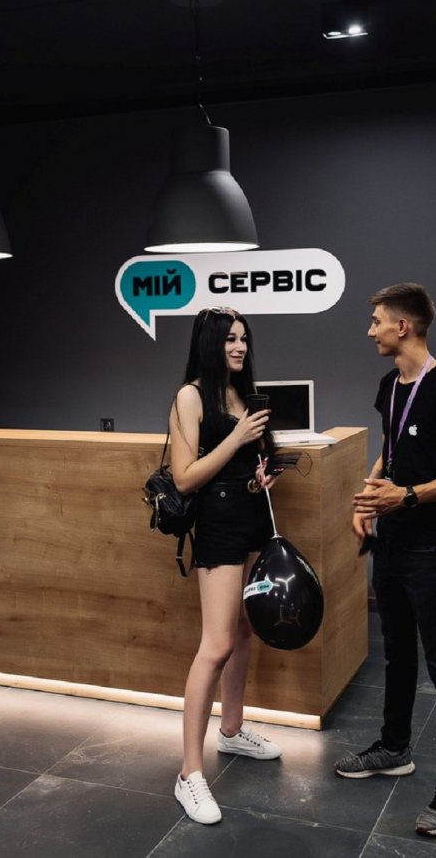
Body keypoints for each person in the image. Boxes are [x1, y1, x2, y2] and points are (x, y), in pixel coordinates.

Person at [334, 283, 436, 837]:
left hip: (429, 547)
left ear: (403, 327)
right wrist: (369, 494)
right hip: (392, 542)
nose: (370, 330)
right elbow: (392, 447)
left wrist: (409, 496)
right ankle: (394, 747)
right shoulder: (389, 384)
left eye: (377, 321)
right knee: (397, 653)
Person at [170, 306, 281, 825]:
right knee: (215, 645)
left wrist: (261, 474)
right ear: (210, 343)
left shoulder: (242, 393)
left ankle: (232, 731)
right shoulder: (190, 396)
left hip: (253, 516)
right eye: (230, 339)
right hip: (217, 525)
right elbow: (185, 477)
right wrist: (236, 439)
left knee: (243, 630)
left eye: (243, 339)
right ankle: (189, 773)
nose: (239, 347)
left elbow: (243, 464)